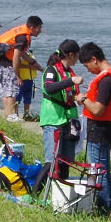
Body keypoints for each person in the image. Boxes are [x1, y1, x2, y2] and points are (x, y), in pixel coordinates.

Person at [79, 42, 111, 215]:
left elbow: (98, 110)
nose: (88, 70)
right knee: (102, 169)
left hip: (99, 132)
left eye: (87, 66)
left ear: (94, 60)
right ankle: (106, 206)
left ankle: (105, 208)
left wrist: (83, 99)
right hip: (108, 130)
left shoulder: (106, 80)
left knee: (99, 170)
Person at [39, 40, 82, 176]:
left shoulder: (69, 72)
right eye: (77, 56)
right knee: (51, 162)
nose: (78, 59)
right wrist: (71, 81)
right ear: (70, 55)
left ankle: (61, 195)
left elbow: (69, 95)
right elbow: (49, 88)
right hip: (53, 121)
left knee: (66, 162)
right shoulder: (51, 70)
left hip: (68, 122)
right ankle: (34, 194)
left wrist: (80, 98)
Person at [0, 16, 43, 123]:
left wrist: (33, 63)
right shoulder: (23, 37)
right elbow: (16, 57)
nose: (40, 31)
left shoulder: (22, 33)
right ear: (32, 27)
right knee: (11, 89)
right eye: (39, 28)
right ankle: (11, 115)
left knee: (5, 89)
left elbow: (21, 53)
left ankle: (8, 114)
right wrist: (18, 76)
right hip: (6, 62)